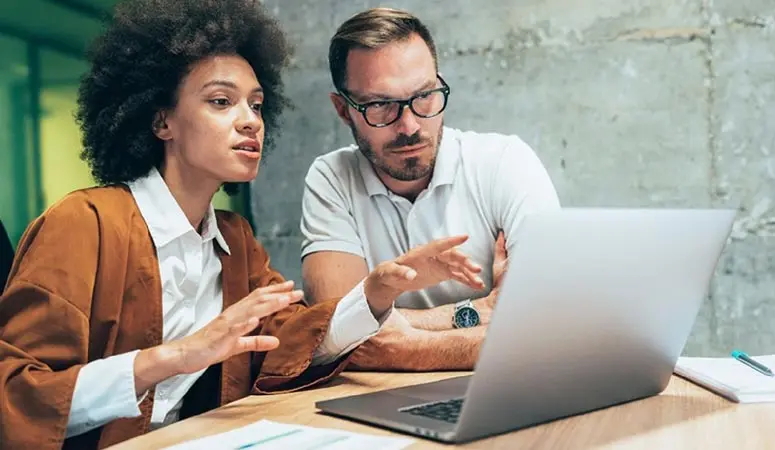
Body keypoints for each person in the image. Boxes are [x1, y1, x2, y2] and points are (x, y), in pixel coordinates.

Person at [0, 1, 482, 449]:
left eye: (255, 104)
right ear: (161, 121)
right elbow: (16, 396)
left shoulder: (235, 239)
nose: (250, 121)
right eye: (220, 102)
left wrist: (375, 292)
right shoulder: (82, 224)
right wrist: (177, 356)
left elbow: (290, 345)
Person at [300, 7, 562, 371]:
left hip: (499, 387)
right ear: (343, 110)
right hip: (379, 401)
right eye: (380, 105)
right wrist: (482, 310)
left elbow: (551, 325)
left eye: (425, 96)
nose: (409, 125)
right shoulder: (332, 178)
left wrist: (409, 346)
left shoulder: (504, 162)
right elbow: (331, 334)